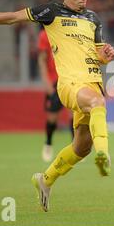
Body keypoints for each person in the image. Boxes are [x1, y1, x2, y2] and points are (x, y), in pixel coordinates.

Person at [0, 0, 114, 212]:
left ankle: (45, 179)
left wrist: (106, 56)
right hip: (70, 83)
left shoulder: (93, 18)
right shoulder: (51, 12)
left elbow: (99, 55)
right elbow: (12, 18)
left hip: (92, 82)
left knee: (81, 148)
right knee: (98, 103)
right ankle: (104, 155)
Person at [38, 28, 74, 162]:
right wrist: (46, 81)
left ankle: (75, 146)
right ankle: (48, 143)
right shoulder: (45, 35)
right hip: (54, 81)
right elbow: (42, 60)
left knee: (74, 113)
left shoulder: (69, 30)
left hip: (69, 78)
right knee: (52, 118)